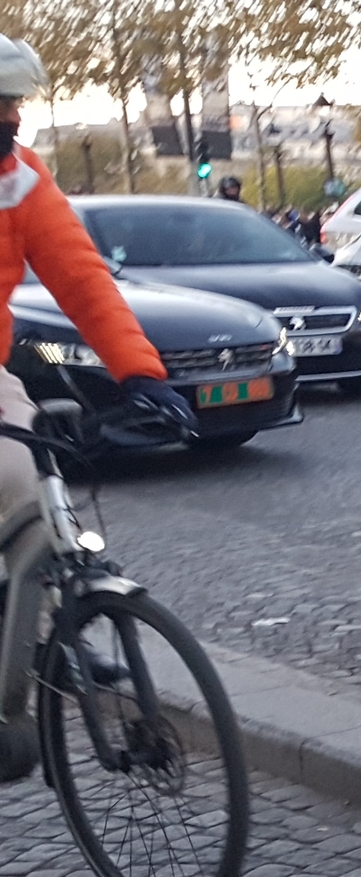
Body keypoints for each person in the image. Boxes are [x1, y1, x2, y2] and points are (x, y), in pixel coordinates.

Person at [0, 32, 196, 782]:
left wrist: (142, 374)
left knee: (25, 477)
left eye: (17, 104)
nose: (12, 118)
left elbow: (81, 279)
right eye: (2, 105)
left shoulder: (20, 180)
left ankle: (49, 633)